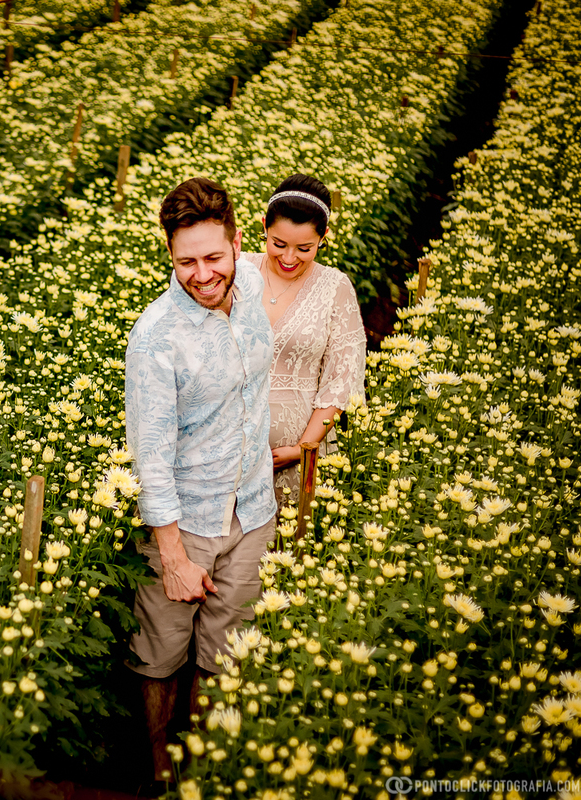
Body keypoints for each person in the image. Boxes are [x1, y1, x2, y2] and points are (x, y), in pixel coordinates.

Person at [124, 176, 278, 784]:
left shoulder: (257, 279)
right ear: (169, 256)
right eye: (185, 261)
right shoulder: (156, 336)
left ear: (237, 245)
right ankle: (161, 770)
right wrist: (173, 556)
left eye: (214, 257)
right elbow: (151, 457)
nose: (202, 273)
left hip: (254, 507)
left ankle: (202, 769)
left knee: (225, 648)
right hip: (186, 520)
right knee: (161, 652)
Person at [242, 174, 366, 510]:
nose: (289, 257)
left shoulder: (335, 288)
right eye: (278, 243)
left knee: (283, 553)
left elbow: (342, 377)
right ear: (264, 226)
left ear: (324, 237)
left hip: (295, 455)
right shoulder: (238, 269)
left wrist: (303, 448)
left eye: (305, 248)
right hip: (223, 447)